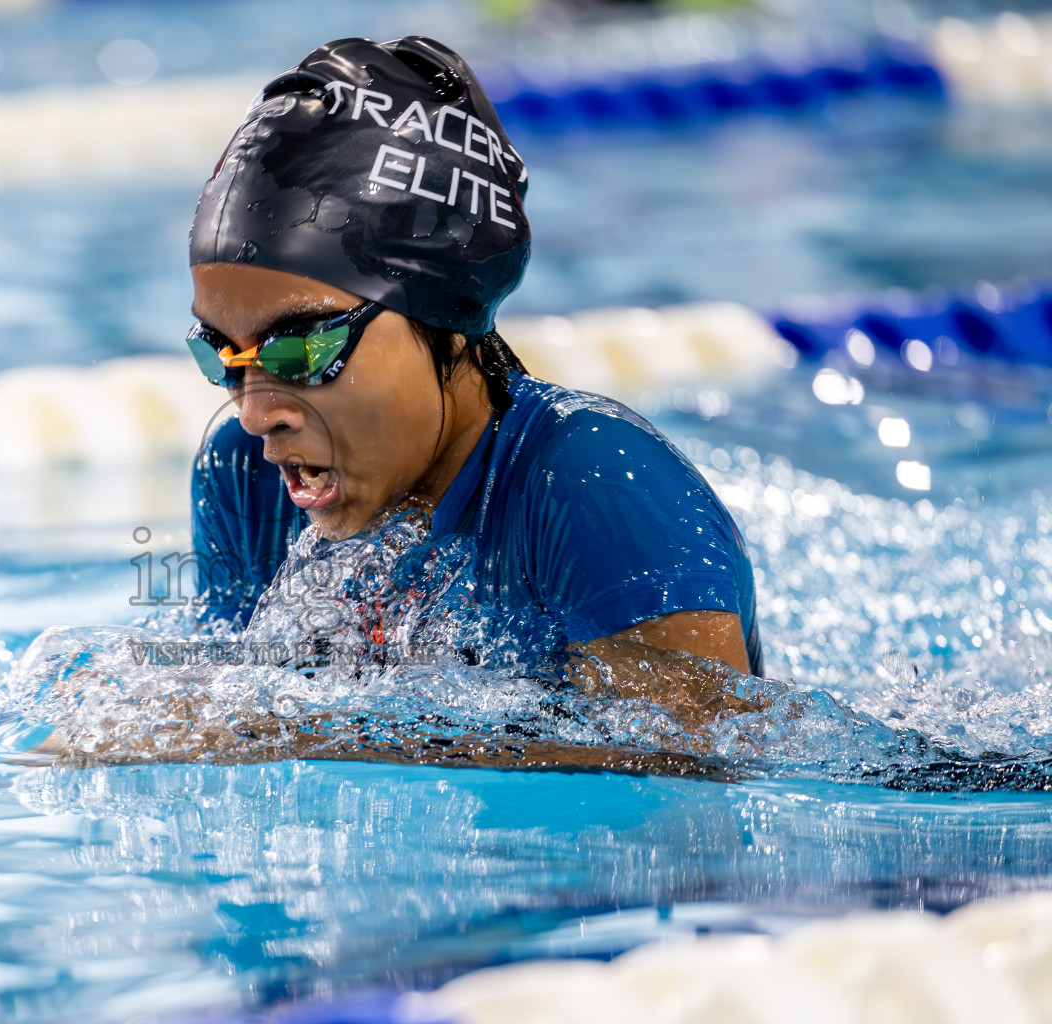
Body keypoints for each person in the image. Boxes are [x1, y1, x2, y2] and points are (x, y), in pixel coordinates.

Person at [184, 36, 760, 717]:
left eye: (300, 348)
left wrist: (308, 737)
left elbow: (706, 770)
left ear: (445, 317)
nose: (256, 413)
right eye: (222, 353)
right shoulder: (244, 475)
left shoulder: (593, 485)